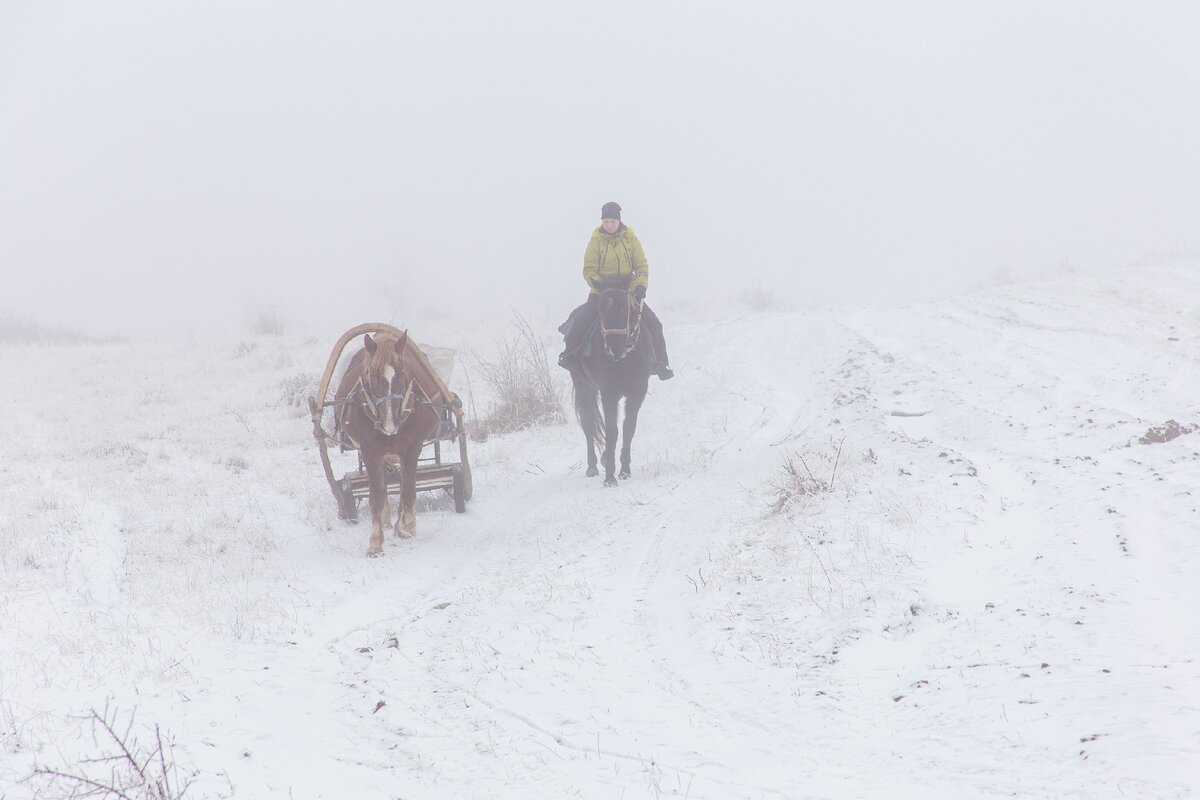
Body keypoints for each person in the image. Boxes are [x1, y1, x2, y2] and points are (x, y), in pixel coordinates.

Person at [558, 202, 673, 380]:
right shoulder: (595, 242)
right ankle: (569, 355)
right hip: (601, 291)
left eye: (612, 221)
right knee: (583, 317)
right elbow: (589, 269)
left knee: (654, 324)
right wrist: (599, 284)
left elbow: (641, 266)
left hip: (627, 291)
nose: (609, 225)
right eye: (605, 221)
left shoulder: (630, 240)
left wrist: (640, 286)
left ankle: (661, 363)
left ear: (619, 221)